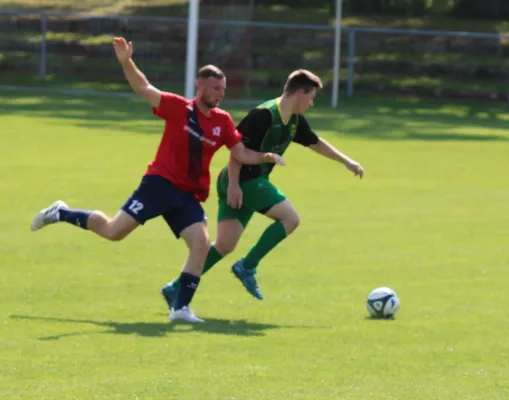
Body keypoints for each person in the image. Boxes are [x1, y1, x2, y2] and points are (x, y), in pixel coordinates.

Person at [30, 37, 285, 323]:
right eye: (215, 88)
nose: (219, 94)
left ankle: (180, 309)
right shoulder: (177, 108)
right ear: (199, 87)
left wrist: (264, 157)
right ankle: (61, 212)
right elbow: (143, 88)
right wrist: (126, 61)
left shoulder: (223, 121)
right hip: (158, 185)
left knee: (200, 244)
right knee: (115, 231)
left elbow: (239, 152)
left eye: (223, 90)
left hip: (187, 194)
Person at [161, 69, 364, 308]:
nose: (311, 103)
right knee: (291, 219)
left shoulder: (294, 120)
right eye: (311, 97)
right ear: (299, 93)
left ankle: (175, 288)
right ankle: (247, 266)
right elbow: (236, 150)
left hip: (242, 182)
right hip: (244, 181)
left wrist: (346, 161)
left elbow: (315, 142)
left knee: (225, 245)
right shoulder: (264, 115)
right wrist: (235, 186)